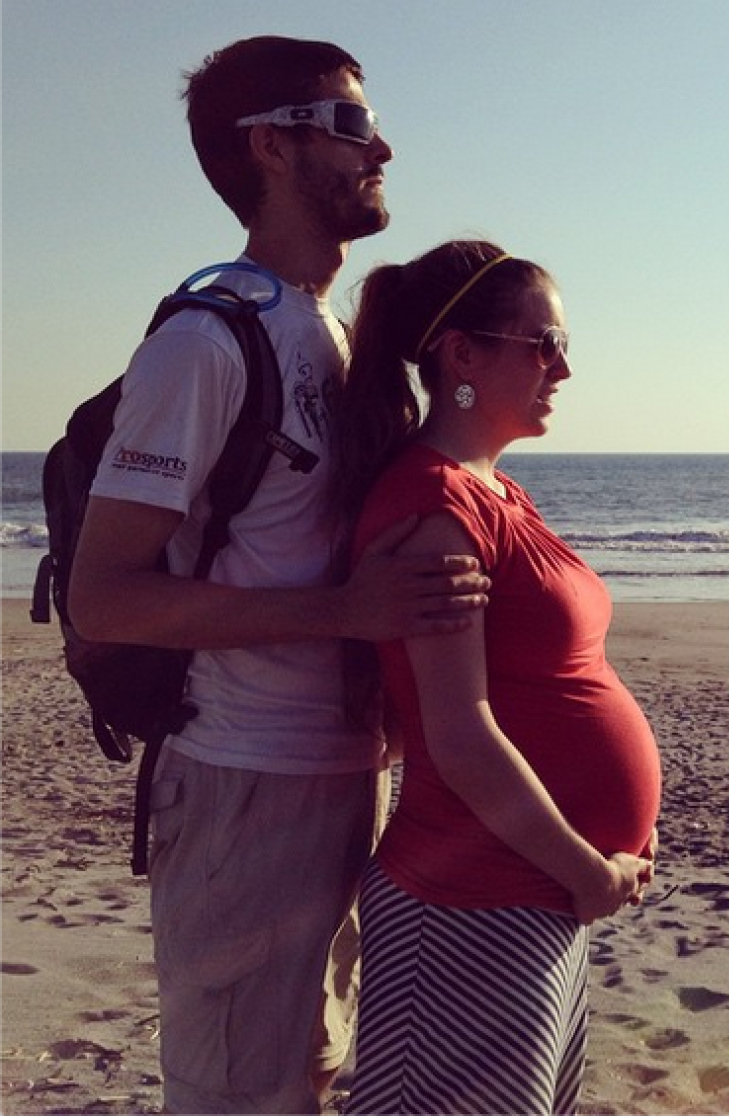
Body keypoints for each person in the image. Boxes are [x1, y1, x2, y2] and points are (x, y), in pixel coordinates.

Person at [68, 38, 489, 1116]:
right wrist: (342, 613)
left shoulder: (333, 337)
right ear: (270, 149)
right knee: (235, 1095)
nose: (378, 146)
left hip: (345, 774)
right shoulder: (208, 340)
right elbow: (103, 595)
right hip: (240, 777)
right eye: (346, 127)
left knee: (307, 1077)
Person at [333, 240, 662, 1115]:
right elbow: (463, 737)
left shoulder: (495, 491)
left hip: (526, 898)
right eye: (543, 342)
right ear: (462, 353)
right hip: (470, 906)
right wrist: (586, 869)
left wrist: (587, 867)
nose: (563, 366)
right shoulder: (437, 505)